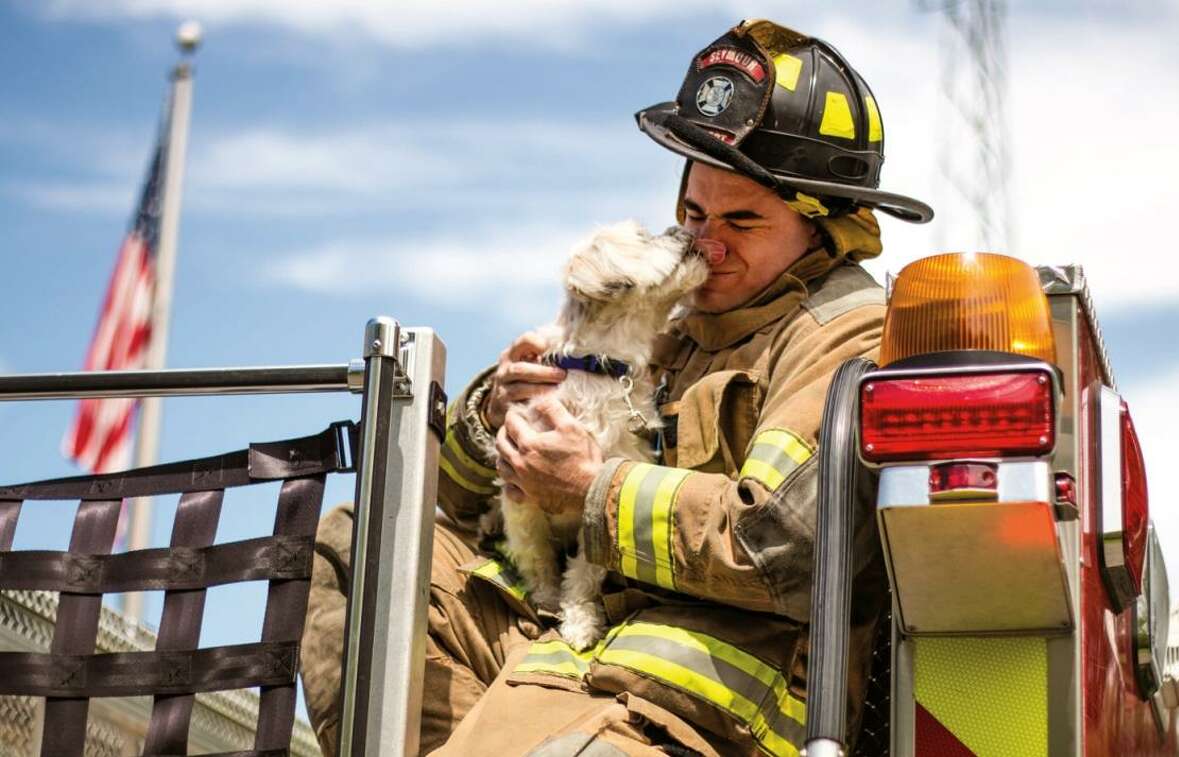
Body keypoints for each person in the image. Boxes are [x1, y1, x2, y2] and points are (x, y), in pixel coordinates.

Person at [300, 18, 932, 756]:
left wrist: (589, 486)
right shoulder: (668, 312)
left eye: (741, 220)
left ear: (822, 226)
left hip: (697, 700)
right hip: (570, 649)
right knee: (366, 543)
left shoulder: (846, 333)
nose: (705, 243)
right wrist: (498, 415)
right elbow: (456, 504)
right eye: (692, 213)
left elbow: (778, 547)